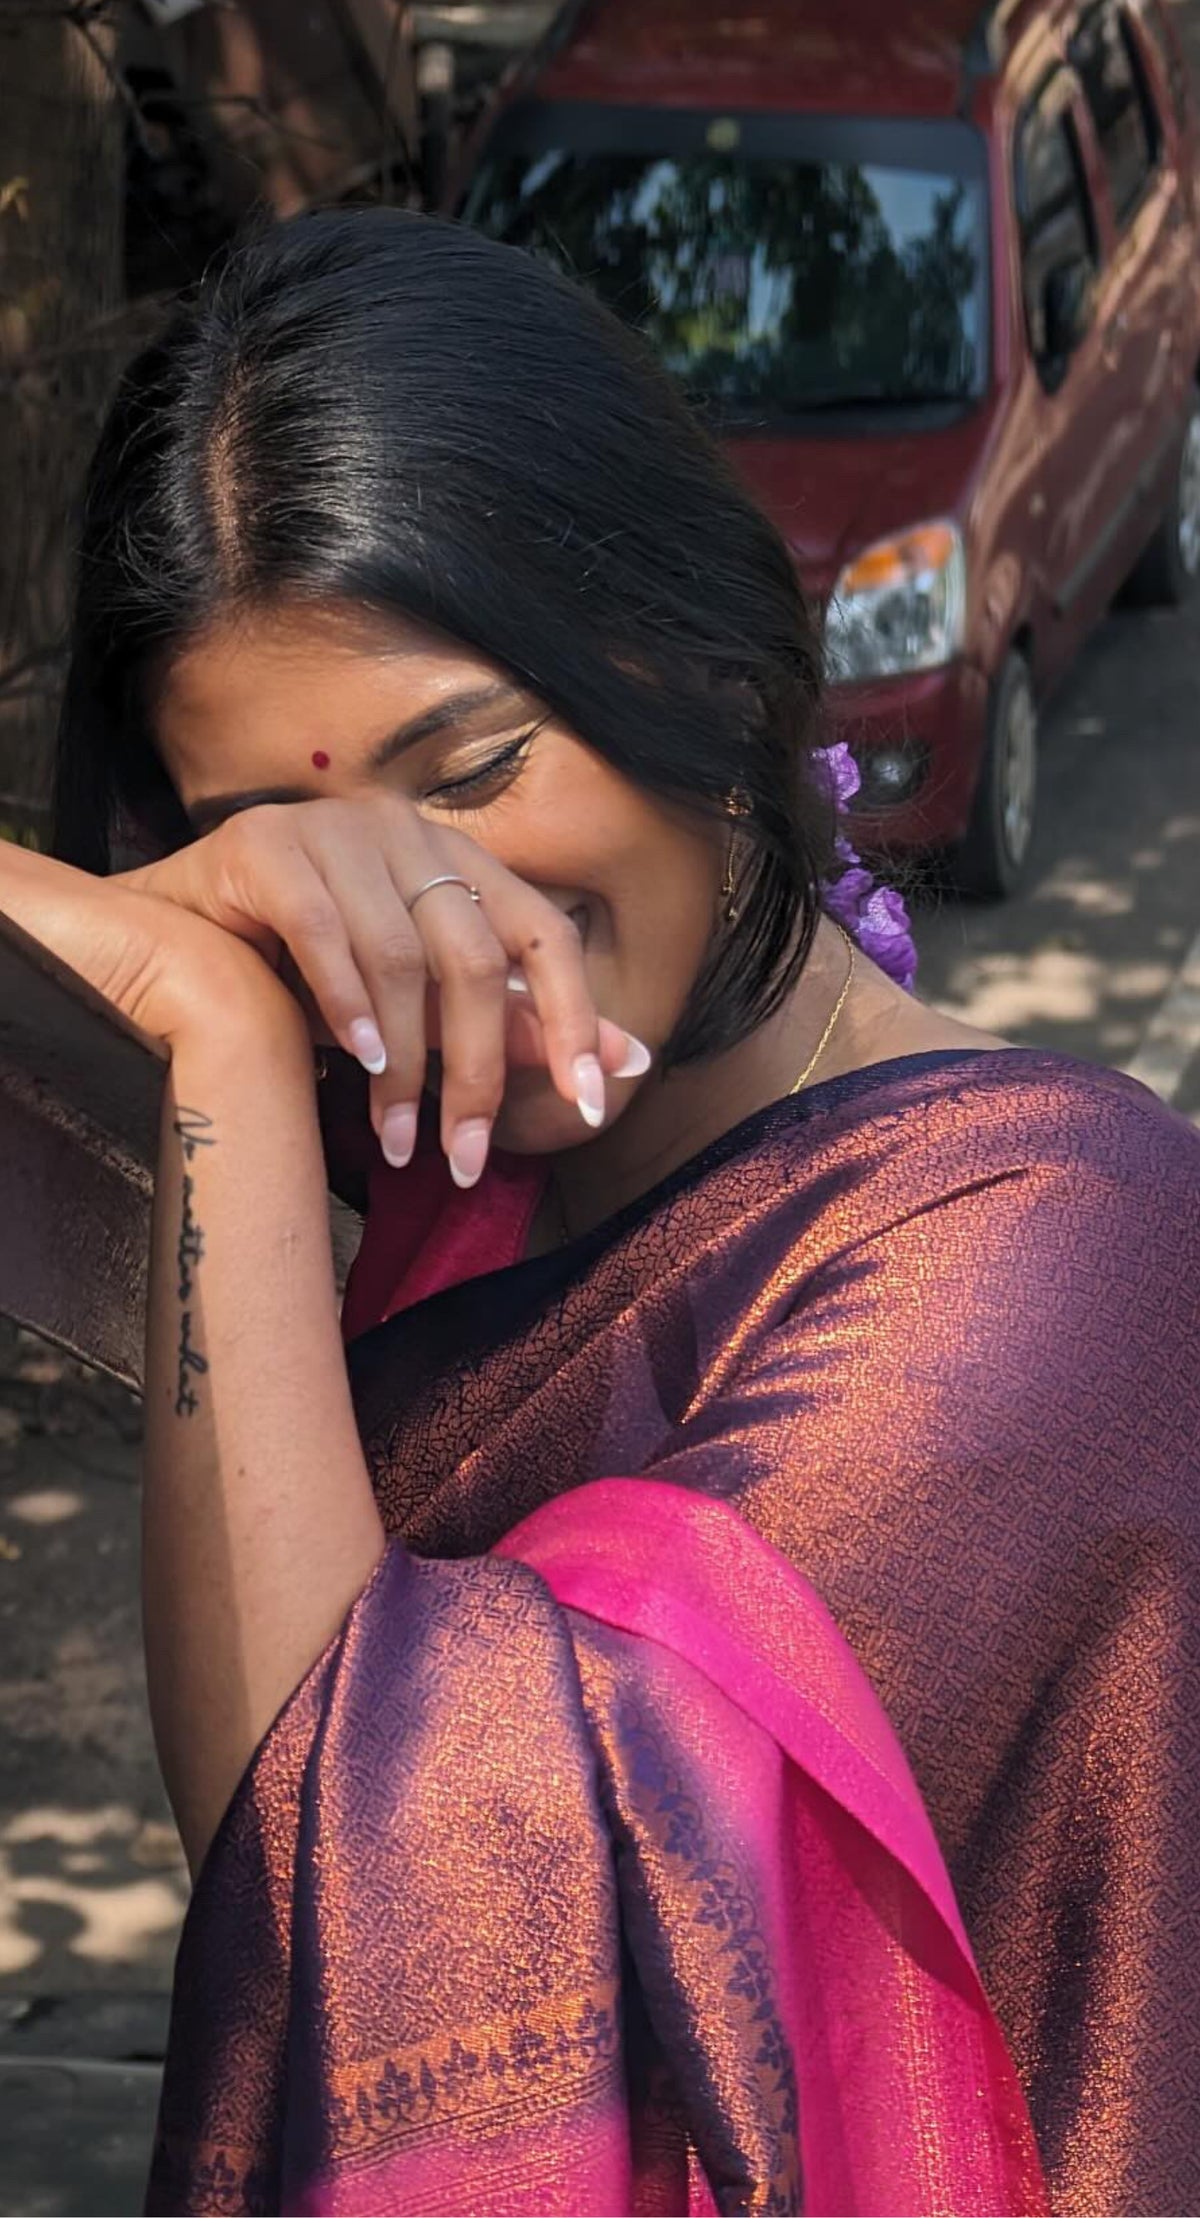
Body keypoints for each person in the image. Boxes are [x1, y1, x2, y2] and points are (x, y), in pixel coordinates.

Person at [1, 209, 1196, 2218]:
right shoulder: (454, 1177)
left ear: (706, 661)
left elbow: (381, 1917)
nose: (407, 902)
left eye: (467, 767)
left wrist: (203, 1021)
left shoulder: (1041, 1258)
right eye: (270, 840)